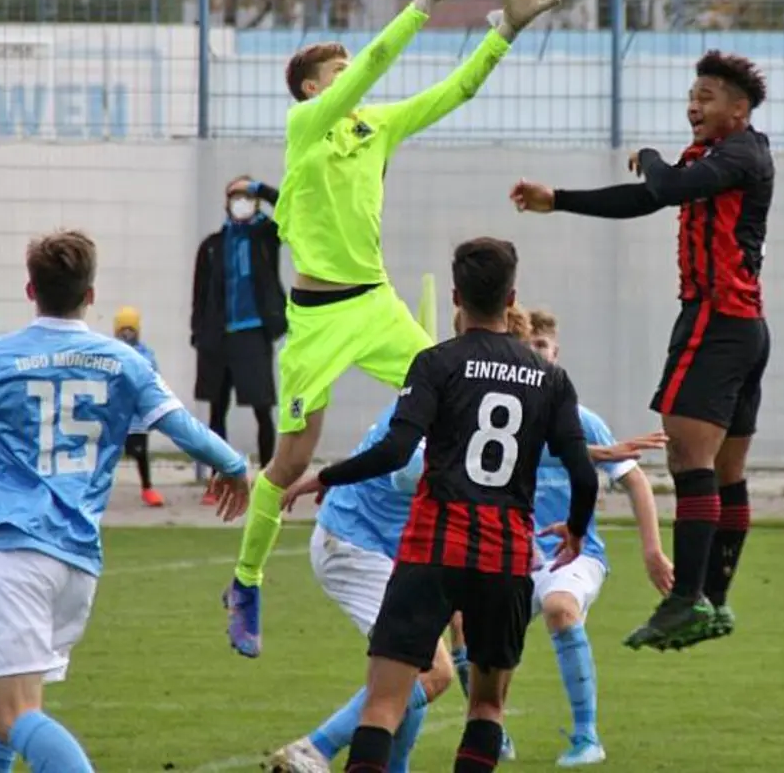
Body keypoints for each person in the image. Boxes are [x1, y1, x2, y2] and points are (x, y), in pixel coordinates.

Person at [224, 0, 566, 659]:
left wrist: (506, 30)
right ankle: (246, 581)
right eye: (337, 71)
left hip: (375, 305)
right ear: (312, 90)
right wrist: (425, 1)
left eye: (348, 66)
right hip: (318, 320)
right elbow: (375, 63)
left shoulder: (375, 129)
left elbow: (455, 91)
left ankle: (456, 548)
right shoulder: (304, 127)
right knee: (290, 461)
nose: (351, 75)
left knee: (462, 394)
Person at [281, 238, 657, 773]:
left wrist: (325, 476)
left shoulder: (435, 364)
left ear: (456, 297)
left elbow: (394, 451)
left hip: (432, 550)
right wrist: (576, 530)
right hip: (502, 559)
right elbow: (581, 472)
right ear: (512, 297)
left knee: (384, 703)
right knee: (486, 707)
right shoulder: (550, 379)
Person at [0, 229, 251, 773]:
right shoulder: (123, 361)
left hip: (20, 554)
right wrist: (234, 466)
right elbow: (183, 427)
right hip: (79, 562)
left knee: (13, 714)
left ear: (30, 290)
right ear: (90, 295)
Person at [509, 51, 773, 650]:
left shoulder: (741, 153)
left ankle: (686, 599)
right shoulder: (718, 159)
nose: (693, 105)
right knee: (725, 470)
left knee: (688, 458)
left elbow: (665, 184)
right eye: (692, 95)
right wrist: (560, 199)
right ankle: (712, 601)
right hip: (741, 326)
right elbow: (649, 197)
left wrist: (650, 156)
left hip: (715, 322)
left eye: (706, 96)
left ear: (739, 108)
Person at [267, 305, 533, 773]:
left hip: (390, 547)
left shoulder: (460, 391)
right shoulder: (450, 393)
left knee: (409, 666)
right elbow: (406, 469)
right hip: (355, 543)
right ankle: (313, 749)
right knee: (431, 671)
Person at [448, 308, 673, 766]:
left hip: (573, 554)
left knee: (559, 607)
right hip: (510, 552)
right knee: (466, 627)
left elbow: (634, 481)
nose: (534, 355)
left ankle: (587, 737)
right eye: (526, 347)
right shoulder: (499, 415)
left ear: (556, 353)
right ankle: (490, 730)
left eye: (541, 347)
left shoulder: (581, 418)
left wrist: (652, 550)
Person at [191, 176, 285, 493]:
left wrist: (261, 189)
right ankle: (220, 477)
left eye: (247, 195)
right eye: (235, 196)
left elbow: (290, 208)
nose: (241, 201)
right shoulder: (212, 246)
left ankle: (268, 478)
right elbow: (200, 295)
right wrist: (198, 333)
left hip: (253, 333)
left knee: (262, 408)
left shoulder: (266, 236)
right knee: (217, 409)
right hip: (218, 337)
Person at [114, 305, 164, 507]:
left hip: (137, 419)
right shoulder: (110, 352)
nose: (127, 334)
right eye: (123, 330)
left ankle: (147, 488)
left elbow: (154, 381)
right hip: (115, 416)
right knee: (106, 455)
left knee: (140, 453)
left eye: (131, 330)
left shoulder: (146, 355)